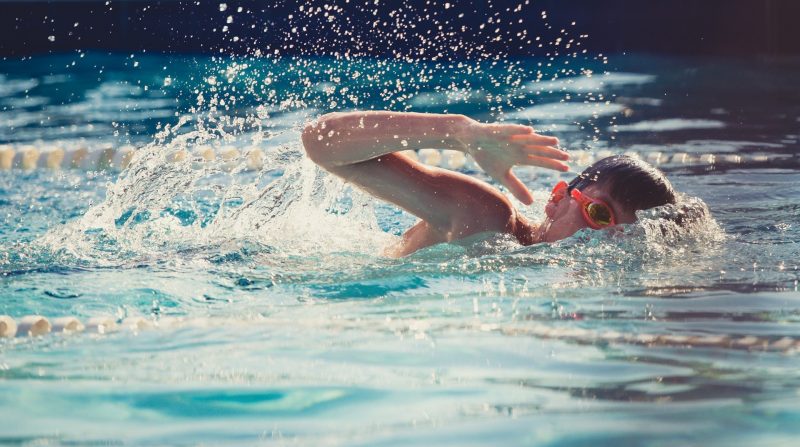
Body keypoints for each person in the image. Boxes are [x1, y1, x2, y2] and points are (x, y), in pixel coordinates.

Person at [302, 111, 676, 256]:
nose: (599, 243)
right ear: (557, 198)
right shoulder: (486, 217)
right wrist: (457, 132)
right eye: (598, 214)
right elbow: (320, 142)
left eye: (622, 237)